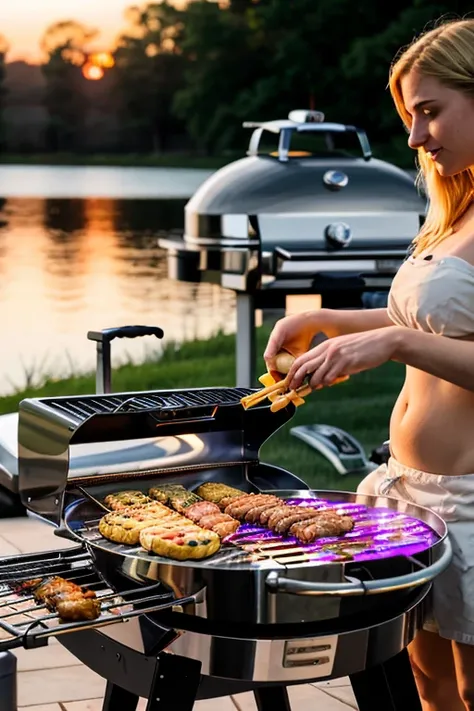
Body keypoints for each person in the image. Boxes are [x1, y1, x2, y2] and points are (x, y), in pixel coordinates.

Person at [263, 18, 474, 711]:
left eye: (430, 111)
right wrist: (327, 325)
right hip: (408, 489)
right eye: (409, 116)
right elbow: (422, 322)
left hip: (472, 506)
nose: (414, 137)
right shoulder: (458, 209)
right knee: (426, 683)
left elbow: (410, 339)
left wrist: (391, 345)